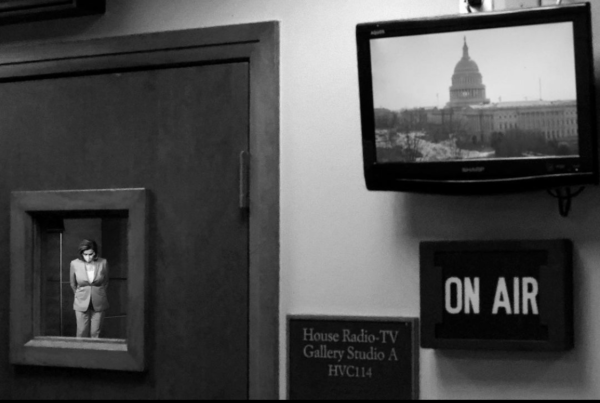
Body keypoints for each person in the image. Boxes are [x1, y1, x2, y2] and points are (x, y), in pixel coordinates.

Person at [69, 239, 109, 338]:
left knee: (96, 333)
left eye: (90, 254)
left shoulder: (103, 262)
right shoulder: (74, 263)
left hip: (99, 300)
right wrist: (79, 295)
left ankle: (95, 353)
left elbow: (106, 281)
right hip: (81, 300)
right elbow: (72, 283)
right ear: (81, 253)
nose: (88, 257)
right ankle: (80, 353)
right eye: (85, 254)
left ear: (95, 252)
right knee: (81, 332)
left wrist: (100, 293)